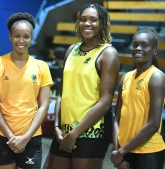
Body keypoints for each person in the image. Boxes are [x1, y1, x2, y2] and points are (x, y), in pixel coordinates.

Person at [43, 3, 120, 169]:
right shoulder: (71, 49)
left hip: (92, 133)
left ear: (102, 24)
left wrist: (75, 134)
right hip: (64, 131)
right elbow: (62, 94)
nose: (87, 23)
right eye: (83, 19)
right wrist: (57, 127)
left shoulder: (108, 53)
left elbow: (105, 103)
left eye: (93, 20)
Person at [0, 12, 53, 169]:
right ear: (10, 36)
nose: (21, 41)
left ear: (32, 38)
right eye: (17, 36)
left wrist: (25, 138)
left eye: (26, 36)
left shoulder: (41, 67)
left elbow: (43, 106)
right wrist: (11, 136)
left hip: (31, 137)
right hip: (2, 136)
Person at [111, 28, 165, 169]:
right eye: (135, 45)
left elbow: (153, 124)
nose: (138, 48)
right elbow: (117, 119)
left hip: (148, 153)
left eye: (144, 45)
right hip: (124, 152)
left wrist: (121, 152)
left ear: (154, 50)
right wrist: (118, 153)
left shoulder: (156, 77)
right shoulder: (125, 77)